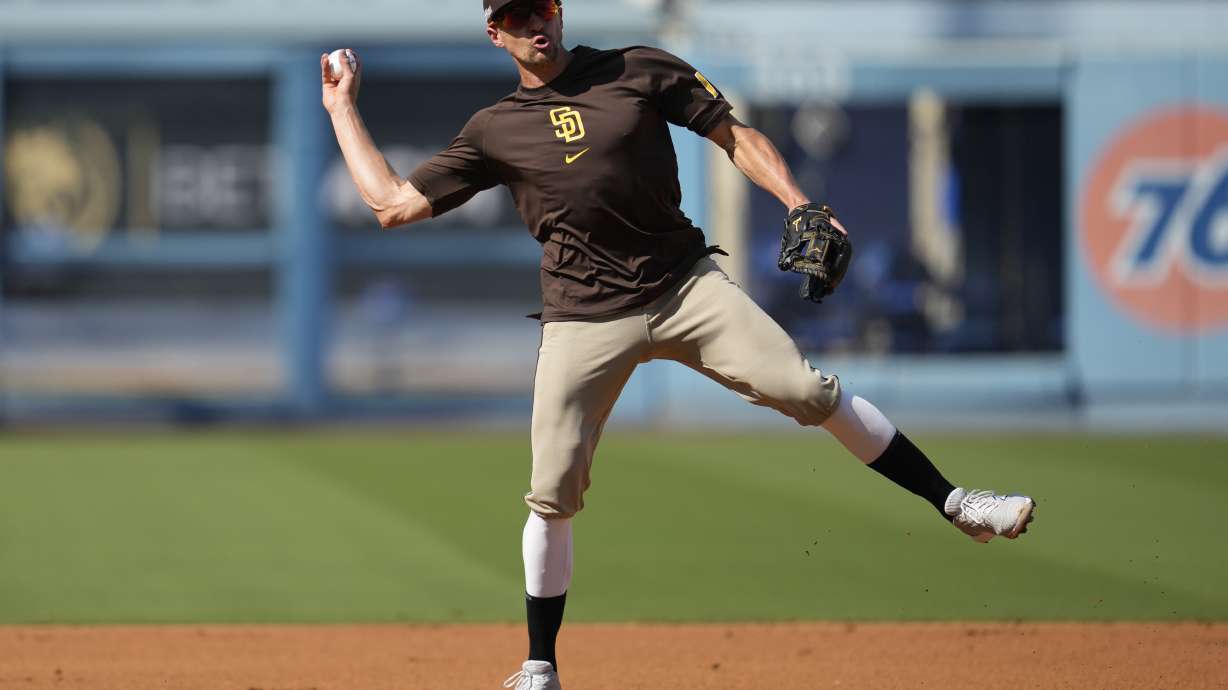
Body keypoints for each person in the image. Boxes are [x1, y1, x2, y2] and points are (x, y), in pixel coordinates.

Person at [321, 1, 1036, 687]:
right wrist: (340, 108)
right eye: (513, 15)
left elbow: (733, 134)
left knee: (806, 389)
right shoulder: (494, 129)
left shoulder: (638, 67)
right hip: (582, 316)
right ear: (494, 34)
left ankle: (957, 503)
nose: (531, 22)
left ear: (560, 10)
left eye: (538, 6)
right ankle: (540, 666)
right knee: (553, 492)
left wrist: (797, 201)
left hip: (684, 286)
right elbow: (390, 206)